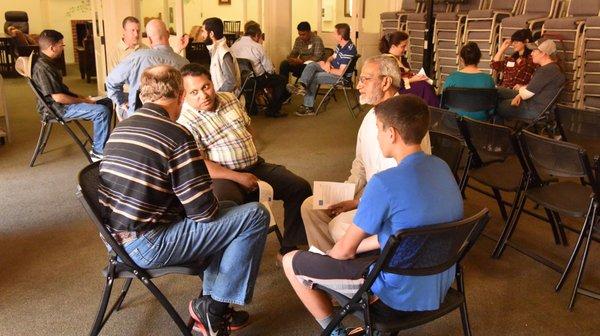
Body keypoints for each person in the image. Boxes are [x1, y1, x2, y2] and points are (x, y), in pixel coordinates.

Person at [99, 64, 270, 336]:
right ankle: (213, 308)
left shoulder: (122, 127)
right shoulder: (176, 135)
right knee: (254, 215)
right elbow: (203, 212)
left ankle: (214, 307)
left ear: (144, 95)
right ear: (180, 95)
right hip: (148, 244)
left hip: (117, 240)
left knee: (231, 210)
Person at [283, 94, 463, 336]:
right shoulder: (442, 167)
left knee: (291, 261)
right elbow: (404, 232)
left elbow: (344, 251)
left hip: (394, 297)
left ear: (392, 134)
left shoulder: (384, 183)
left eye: (378, 129)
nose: (377, 137)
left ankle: (335, 331)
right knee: (358, 250)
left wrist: (326, 257)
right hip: (439, 284)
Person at [177, 63, 312, 261]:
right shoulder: (185, 121)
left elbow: (247, 127)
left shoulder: (230, 98)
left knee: (299, 187)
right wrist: (237, 176)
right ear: (185, 95)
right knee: (229, 207)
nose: (203, 95)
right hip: (222, 176)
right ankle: (232, 262)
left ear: (212, 83)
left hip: (255, 166)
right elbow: (200, 164)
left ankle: (289, 251)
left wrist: (245, 152)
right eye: (194, 92)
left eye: (206, 87)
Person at [301, 55, 432, 253]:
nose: (358, 86)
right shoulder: (371, 116)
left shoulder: (406, 119)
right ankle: (331, 262)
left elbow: (399, 188)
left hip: (391, 204)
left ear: (386, 81)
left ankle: (345, 262)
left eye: (365, 79)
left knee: (338, 227)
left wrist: (356, 203)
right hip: (372, 191)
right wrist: (345, 192)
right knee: (311, 206)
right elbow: (360, 164)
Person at [31, 29, 111, 161]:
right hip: (56, 109)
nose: (62, 48)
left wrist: (83, 98)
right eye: (61, 45)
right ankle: (98, 152)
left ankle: (103, 142)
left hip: (59, 103)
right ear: (52, 47)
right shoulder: (43, 68)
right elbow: (59, 98)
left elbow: (62, 91)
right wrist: (83, 101)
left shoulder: (47, 63)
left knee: (106, 102)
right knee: (101, 111)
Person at [106, 19, 189, 119]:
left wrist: (123, 101)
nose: (136, 34)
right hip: (174, 119)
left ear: (149, 39)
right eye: (132, 30)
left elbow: (110, 82)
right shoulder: (184, 63)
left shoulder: (137, 57)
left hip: (138, 117)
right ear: (168, 34)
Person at [287, 23, 357, 116]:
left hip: (340, 77)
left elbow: (341, 72)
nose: (333, 35)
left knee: (313, 76)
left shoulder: (348, 50)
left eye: (334, 33)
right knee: (311, 65)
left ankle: (308, 107)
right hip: (331, 68)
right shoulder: (341, 45)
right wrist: (327, 63)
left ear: (340, 36)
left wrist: (326, 68)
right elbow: (332, 57)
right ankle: (302, 86)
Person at [496, 38, 566, 121]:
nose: (531, 53)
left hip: (532, 108)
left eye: (534, 51)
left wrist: (521, 91)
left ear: (543, 53)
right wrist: (521, 93)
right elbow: (531, 89)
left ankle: (497, 130)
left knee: (496, 105)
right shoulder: (552, 68)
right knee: (497, 91)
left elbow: (526, 94)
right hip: (534, 103)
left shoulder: (546, 71)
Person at [230, 22, 288, 117]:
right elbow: (269, 70)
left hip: (239, 80)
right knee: (281, 80)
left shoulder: (234, 45)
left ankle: (255, 106)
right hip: (255, 80)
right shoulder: (257, 47)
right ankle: (273, 110)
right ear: (257, 35)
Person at [379, 31, 439, 106]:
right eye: (403, 46)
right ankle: (433, 112)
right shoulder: (388, 60)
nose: (406, 49)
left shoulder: (399, 58)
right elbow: (394, 83)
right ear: (393, 47)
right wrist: (414, 79)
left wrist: (414, 76)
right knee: (424, 87)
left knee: (425, 85)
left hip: (402, 87)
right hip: (395, 91)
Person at [442, 42, 496, 120]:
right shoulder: (488, 80)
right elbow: (491, 109)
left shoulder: (452, 78)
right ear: (479, 58)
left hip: (454, 122)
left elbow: (445, 104)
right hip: (479, 123)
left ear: (461, 59)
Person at [201, 17, 242, 96]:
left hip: (228, 98)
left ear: (211, 34)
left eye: (203, 31)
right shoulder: (215, 50)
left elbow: (231, 83)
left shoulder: (223, 52)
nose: (202, 34)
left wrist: (215, 96)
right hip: (222, 95)